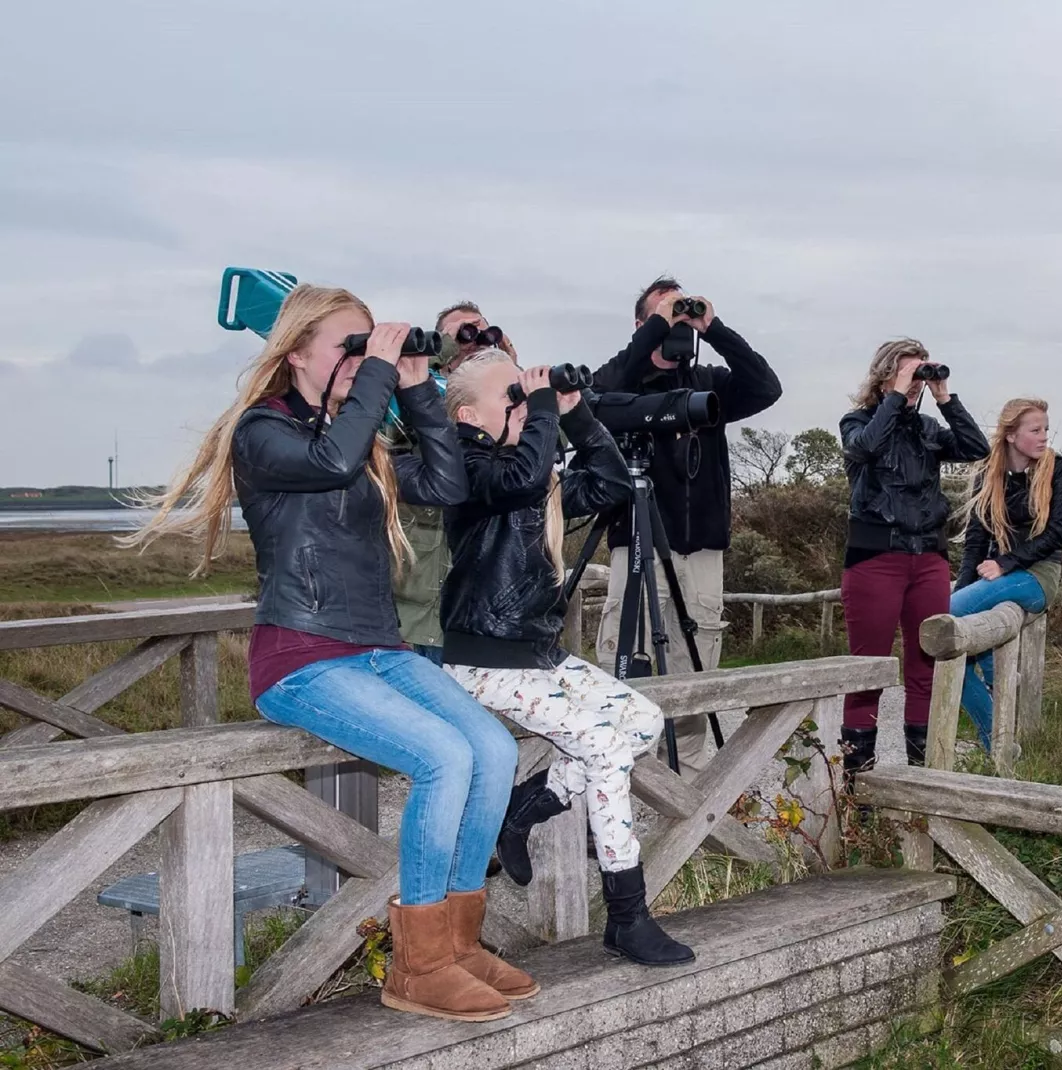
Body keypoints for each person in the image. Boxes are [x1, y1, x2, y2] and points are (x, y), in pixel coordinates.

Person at [125, 285, 530, 1024]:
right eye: (350, 344)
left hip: (377, 647)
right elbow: (332, 459)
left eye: (367, 343)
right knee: (442, 757)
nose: (362, 358)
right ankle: (419, 964)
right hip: (302, 657)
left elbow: (446, 481)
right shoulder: (262, 432)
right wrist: (377, 378)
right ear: (295, 350)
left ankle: (460, 944)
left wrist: (417, 391)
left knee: (492, 751)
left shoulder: (362, 438)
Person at [439, 350, 695, 966]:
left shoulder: (530, 470)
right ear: (470, 414)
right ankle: (628, 915)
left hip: (536, 653)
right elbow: (519, 480)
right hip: (481, 659)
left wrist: (577, 417)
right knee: (603, 747)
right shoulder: (464, 467)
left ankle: (521, 809)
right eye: (513, 398)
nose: (527, 405)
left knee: (640, 722)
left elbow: (611, 485)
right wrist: (547, 411)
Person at [591, 277, 782, 777]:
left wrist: (711, 327)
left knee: (695, 666)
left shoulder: (708, 384)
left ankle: (690, 791)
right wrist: (655, 328)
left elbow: (766, 387)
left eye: (682, 314)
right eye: (664, 315)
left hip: (700, 544)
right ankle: (621, 785)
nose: (676, 323)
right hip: (634, 537)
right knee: (624, 659)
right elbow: (600, 396)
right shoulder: (622, 379)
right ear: (641, 325)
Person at [838, 339, 988, 775]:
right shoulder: (857, 420)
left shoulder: (925, 428)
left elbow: (975, 447)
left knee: (927, 669)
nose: (915, 384)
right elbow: (863, 447)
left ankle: (922, 781)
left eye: (919, 374)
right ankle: (858, 789)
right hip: (876, 559)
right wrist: (894, 396)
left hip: (928, 558)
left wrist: (945, 398)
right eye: (908, 372)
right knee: (868, 672)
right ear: (885, 374)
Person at [391, 301, 517, 666]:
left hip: (486, 608)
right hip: (422, 605)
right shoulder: (410, 396)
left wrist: (506, 365)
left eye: (481, 330)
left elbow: (551, 437)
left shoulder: (508, 406)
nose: (473, 339)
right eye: (463, 332)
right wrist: (442, 349)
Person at [954, 398, 1062, 754]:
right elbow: (975, 542)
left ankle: (997, 685)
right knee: (951, 650)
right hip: (997, 577)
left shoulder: (1057, 470)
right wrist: (965, 590)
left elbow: (1056, 534)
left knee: (947, 618)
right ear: (1010, 435)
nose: (1044, 438)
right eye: (1035, 430)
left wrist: (1006, 563)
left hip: (1038, 576)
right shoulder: (987, 474)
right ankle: (1000, 742)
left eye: (1046, 430)